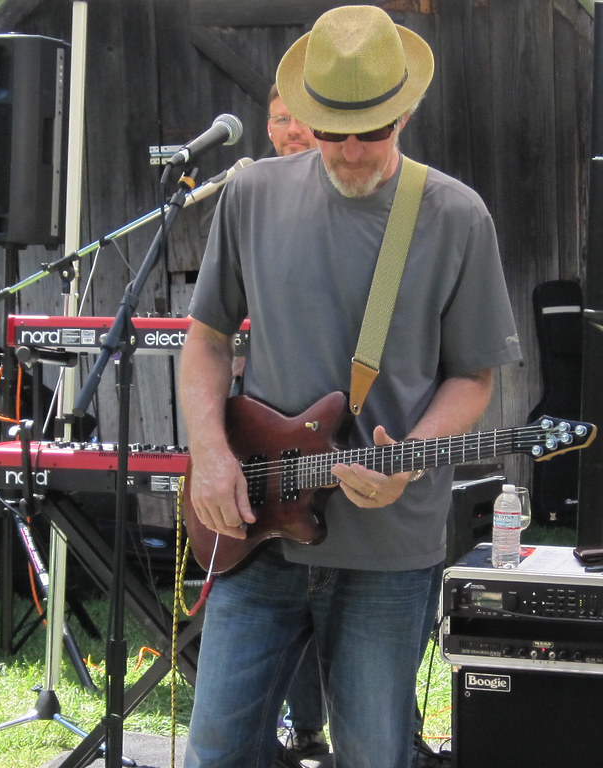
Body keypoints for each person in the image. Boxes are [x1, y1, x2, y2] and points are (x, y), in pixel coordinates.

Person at [178, 7, 521, 768]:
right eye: (334, 132)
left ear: (406, 110)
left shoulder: (455, 215)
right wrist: (208, 452)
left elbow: (473, 376)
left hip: (389, 554)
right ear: (304, 115)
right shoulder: (251, 195)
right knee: (214, 754)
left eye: (375, 131)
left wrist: (414, 456)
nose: (353, 150)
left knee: (373, 755)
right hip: (254, 533)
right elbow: (204, 340)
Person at [262, 82, 331, 764]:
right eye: (279, 120)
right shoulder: (252, 203)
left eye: (304, 121)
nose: (290, 132)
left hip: (343, 436)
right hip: (272, 439)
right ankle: (301, 725)